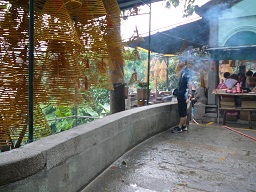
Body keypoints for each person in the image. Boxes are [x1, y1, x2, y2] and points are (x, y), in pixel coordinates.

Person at [171, 57, 192, 133]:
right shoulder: (183, 71)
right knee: (183, 111)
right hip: (182, 93)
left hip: (184, 94)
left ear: (184, 62)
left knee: (182, 111)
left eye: (179, 61)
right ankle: (184, 126)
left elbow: (190, 83)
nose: (178, 63)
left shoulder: (187, 71)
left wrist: (189, 93)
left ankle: (179, 127)